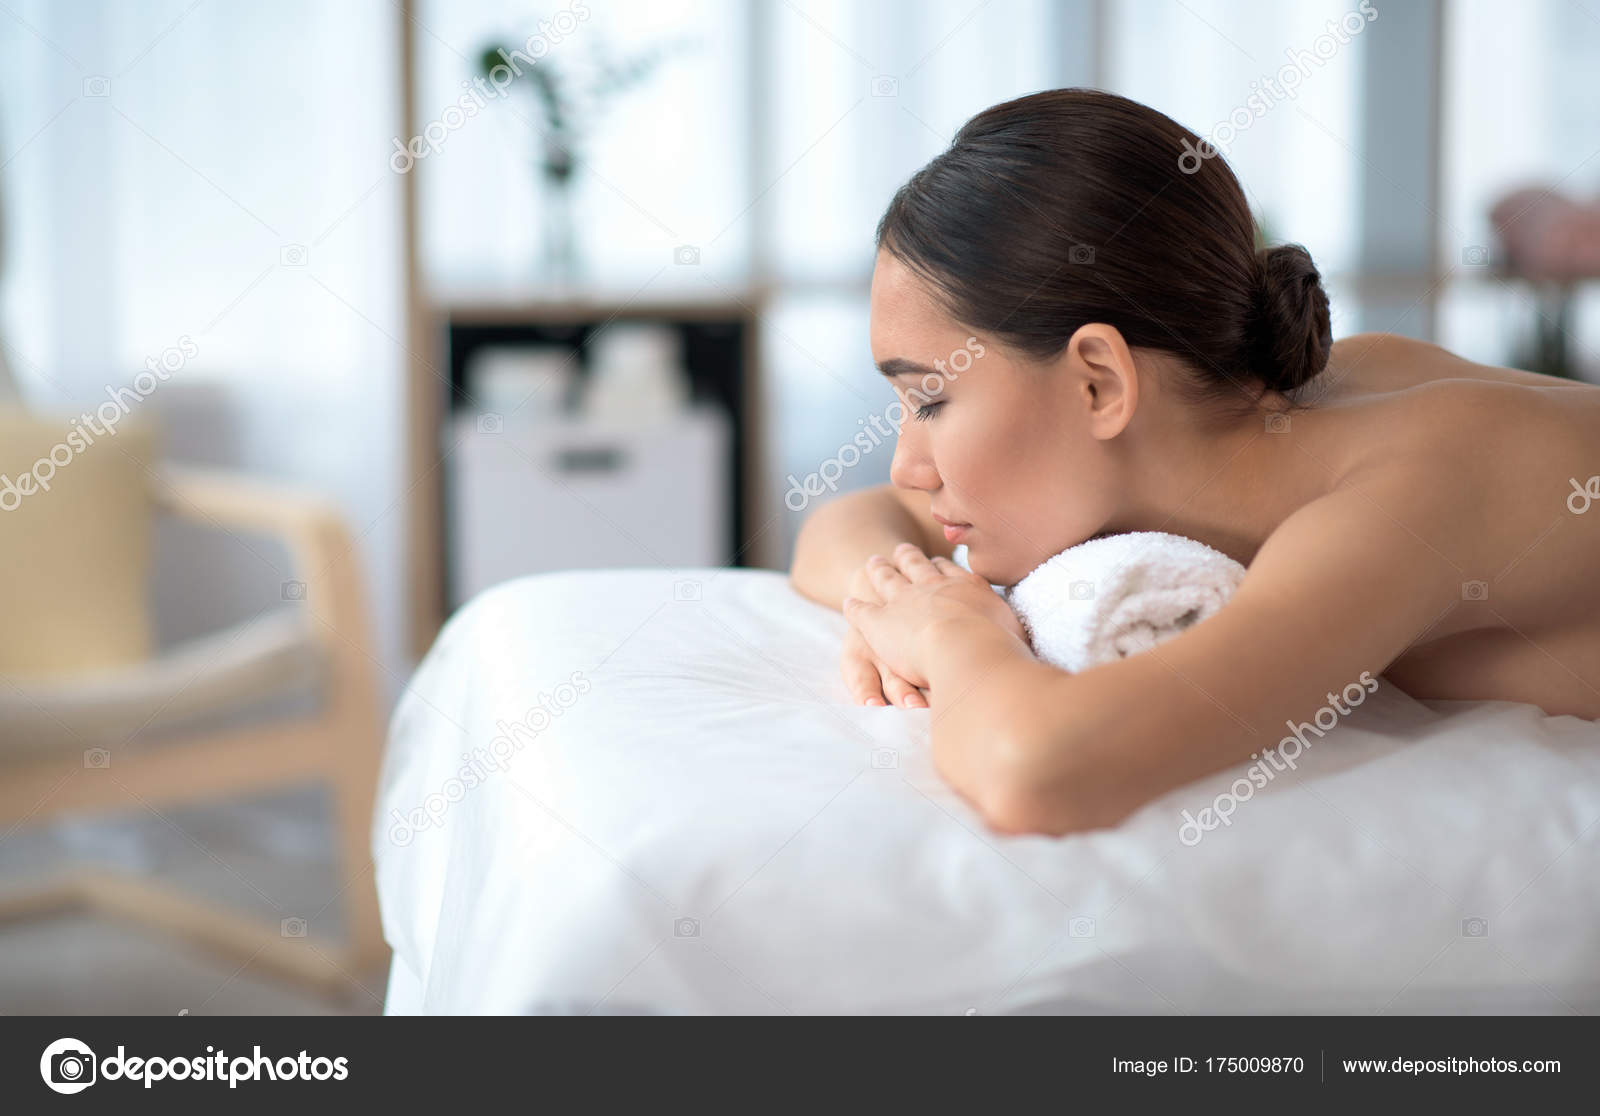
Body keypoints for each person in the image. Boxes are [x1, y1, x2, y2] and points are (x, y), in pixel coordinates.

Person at [787, 88, 1600, 836]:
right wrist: (896, 601)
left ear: (1100, 383)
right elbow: (848, 522)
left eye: (930, 400)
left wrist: (948, 634)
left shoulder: (1410, 490)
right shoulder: (1228, 433)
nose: (907, 467)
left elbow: (1041, 772)